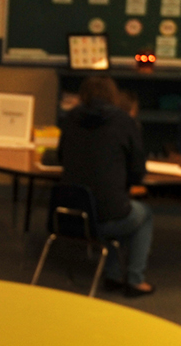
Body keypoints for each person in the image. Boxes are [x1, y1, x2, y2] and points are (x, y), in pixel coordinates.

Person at [57, 75, 154, 295]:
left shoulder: (70, 118)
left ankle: (113, 274)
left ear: (82, 95)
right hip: (107, 215)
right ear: (114, 96)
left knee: (111, 207)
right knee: (140, 214)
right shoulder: (125, 122)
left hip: (69, 214)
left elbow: (62, 157)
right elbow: (138, 171)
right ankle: (135, 280)